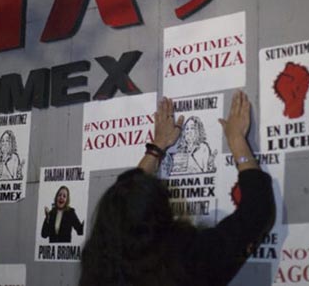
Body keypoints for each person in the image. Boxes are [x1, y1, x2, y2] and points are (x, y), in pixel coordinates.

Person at [80, 91, 275, 286]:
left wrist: (156, 147)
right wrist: (237, 141)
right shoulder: (185, 260)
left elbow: (125, 199)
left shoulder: (100, 264)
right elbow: (257, 211)